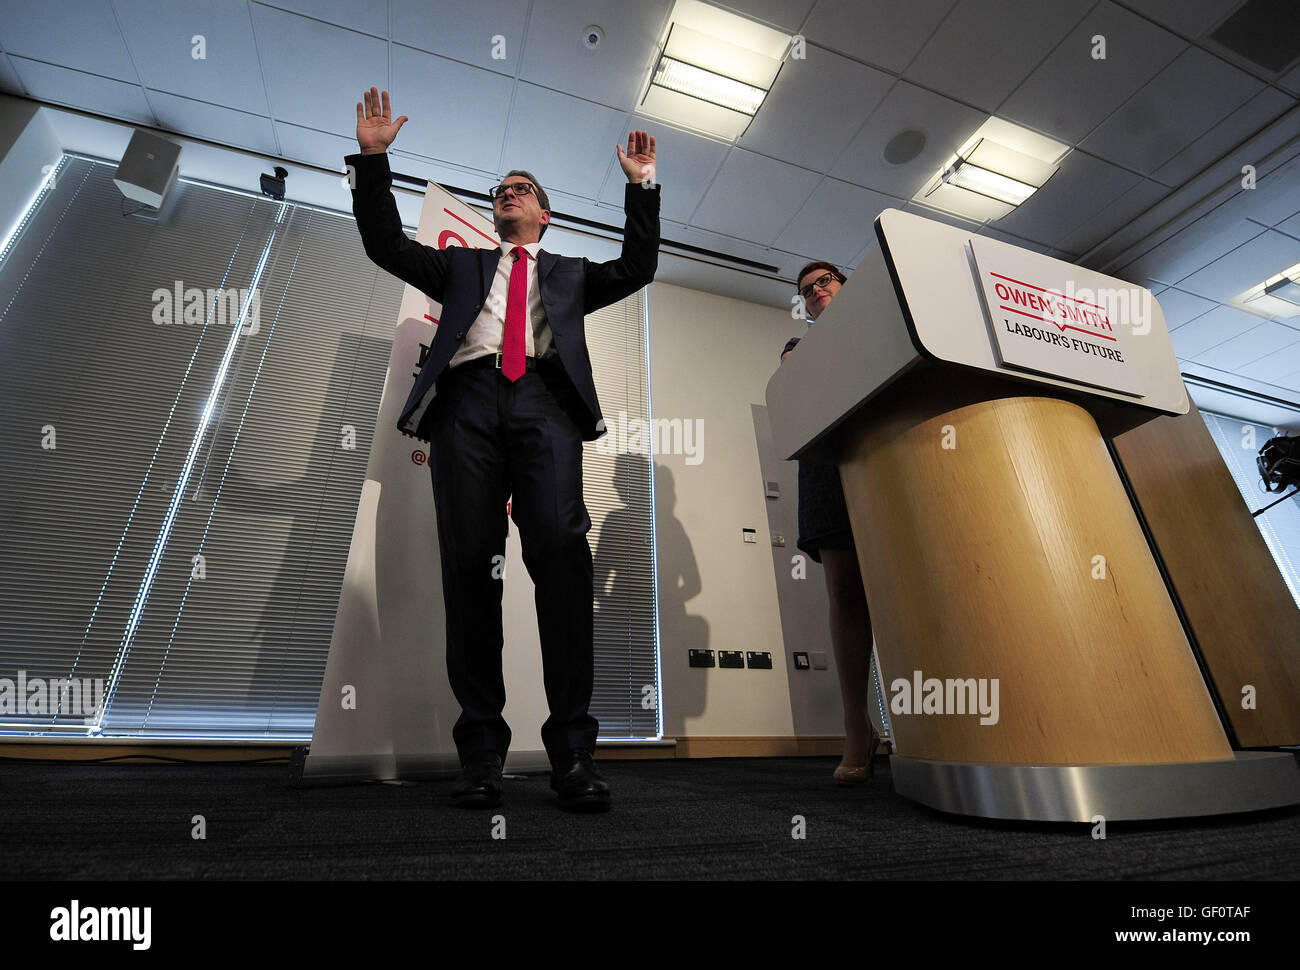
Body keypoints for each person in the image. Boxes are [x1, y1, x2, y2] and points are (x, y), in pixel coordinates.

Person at [346, 87, 660, 811]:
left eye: (522, 190)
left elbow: (638, 267)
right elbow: (384, 244)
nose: (508, 195)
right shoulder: (462, 268)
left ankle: (574, 755)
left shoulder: (572, 276)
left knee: (560, 556)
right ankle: (481, 754)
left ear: (544, 213)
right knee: (470, 567)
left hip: (546, 406)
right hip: (467, 406)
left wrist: (640, 188)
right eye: (501, 191)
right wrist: (373, 158)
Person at [780, 261, 881, 784]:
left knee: (901, 589)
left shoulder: (880, 328)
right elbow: (796, 396)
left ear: (844, 285)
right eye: (807, 290)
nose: (816, 292)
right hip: (828, 467)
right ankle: (856, 724)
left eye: (825, 282)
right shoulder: (800, 347)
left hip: (885, 455)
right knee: (845, 591)